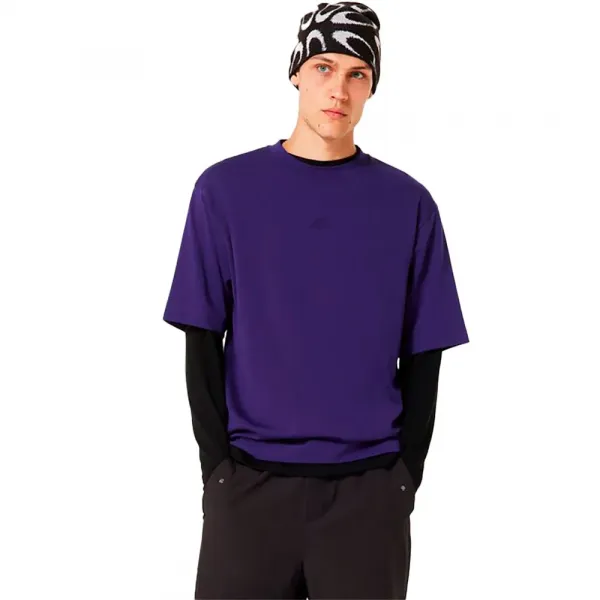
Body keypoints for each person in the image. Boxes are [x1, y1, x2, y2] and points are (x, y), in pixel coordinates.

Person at [162, 2, 469, 598]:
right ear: (296, 72)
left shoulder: (408, 204)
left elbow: (424, 355)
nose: (339, 89)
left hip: (367, 495)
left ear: (372, 86)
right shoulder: (224, 191)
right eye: (324, 67)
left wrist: (403, 479)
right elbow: (201, 338)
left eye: (358, 74)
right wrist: (217, 473)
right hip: (249, 489)